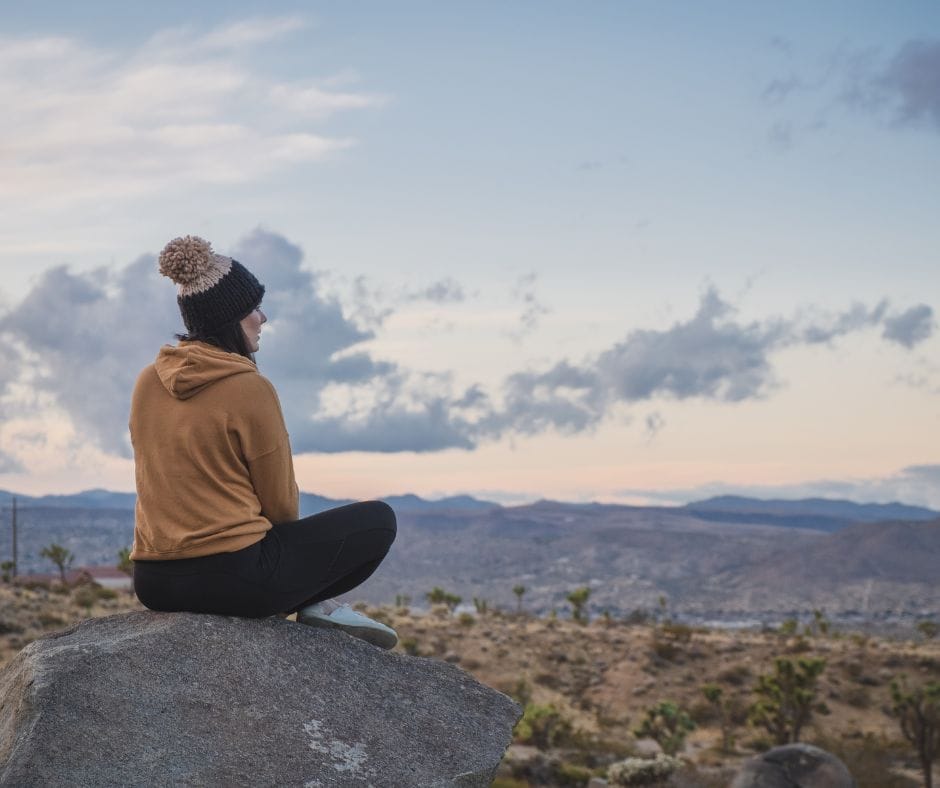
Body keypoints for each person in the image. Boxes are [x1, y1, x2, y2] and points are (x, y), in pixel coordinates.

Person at [129, 235, 398, 649]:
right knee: (379, 521)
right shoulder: (249, 387)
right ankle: (314, 603)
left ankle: (314, 601)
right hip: (233, 579)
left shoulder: (148, 381)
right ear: (231, 318)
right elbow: (282, 506)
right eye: (254, 308)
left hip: (154, 581)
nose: (263, 317)